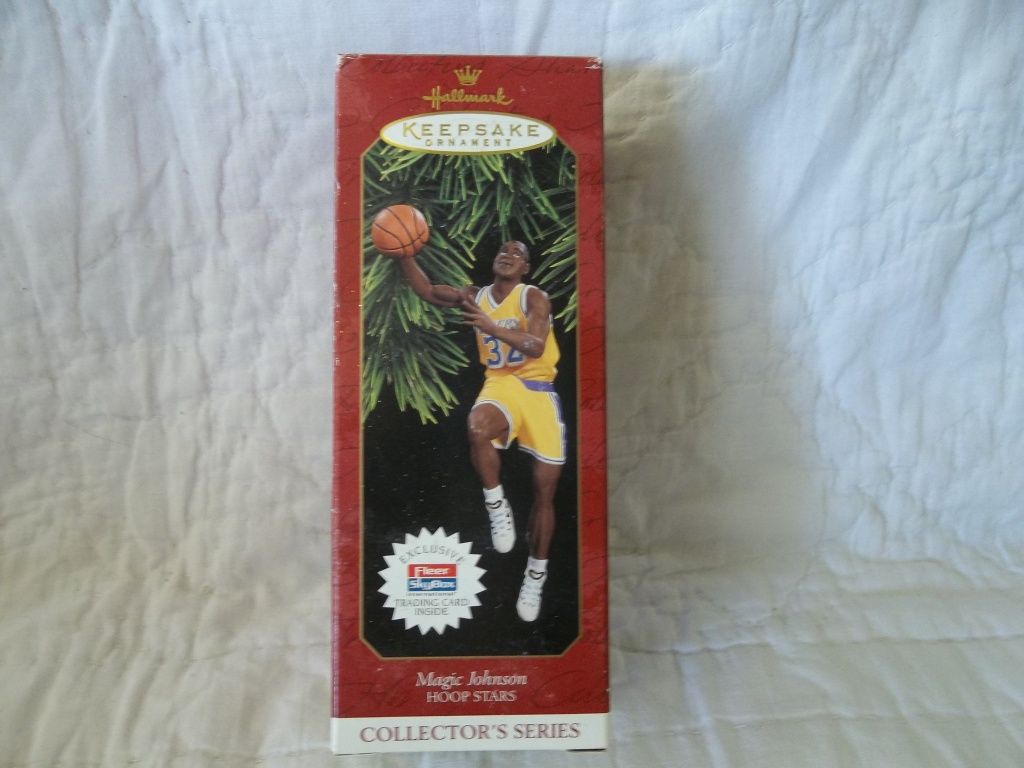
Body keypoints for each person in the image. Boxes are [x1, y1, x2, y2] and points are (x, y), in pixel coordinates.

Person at [398, 240, 565, 622]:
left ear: (525, 268)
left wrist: (491, 328)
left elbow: (535, 345)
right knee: (477, 426)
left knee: (545, 493)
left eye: (517, 254)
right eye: (503, 251)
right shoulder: (475, 297)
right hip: (502, 383)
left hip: (539, 391)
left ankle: (535, 576)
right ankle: (496, 505)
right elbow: (427, 291)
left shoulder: (533, 297)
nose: (507, 255)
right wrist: (404, 254)